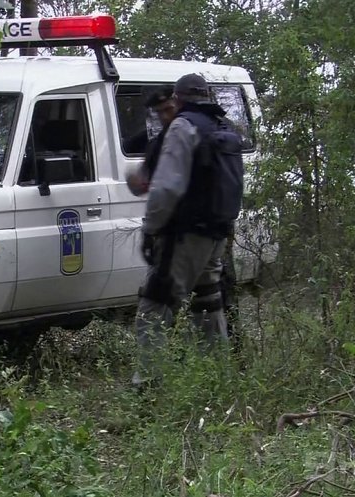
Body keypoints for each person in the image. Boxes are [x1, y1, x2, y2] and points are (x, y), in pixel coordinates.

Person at [129, 73, 246, 389]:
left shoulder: (184, 127)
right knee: (208, 300)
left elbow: (166, 188)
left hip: (186, 233)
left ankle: (147, 389)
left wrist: (150, 229)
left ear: (178, 98)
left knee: (155, 303)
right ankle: (216, 378)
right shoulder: (222, 126)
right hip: (217, 232)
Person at [124, 86, 176, 196]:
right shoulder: (155, 143)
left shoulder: (191, 134)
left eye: (168, 109)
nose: (164, 117)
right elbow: (144, 180)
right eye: (159, 112)